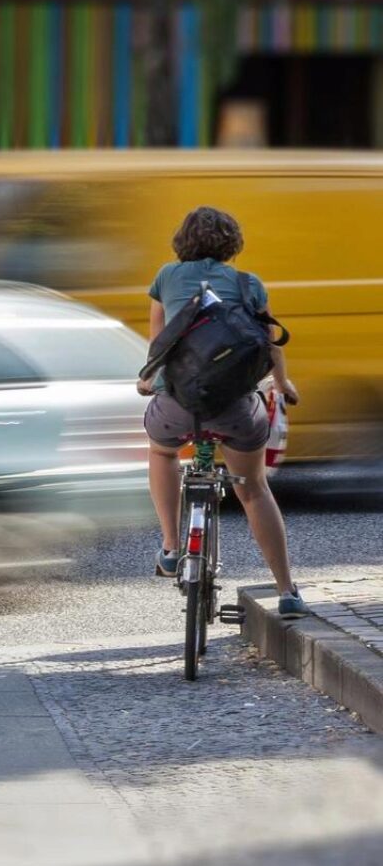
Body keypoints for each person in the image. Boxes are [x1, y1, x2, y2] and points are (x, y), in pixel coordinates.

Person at [137, 206, 306, 617]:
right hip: (236, 410)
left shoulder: (167, 277)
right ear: (232, 244)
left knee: (161, 451)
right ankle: (287, 592)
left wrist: (147, 381)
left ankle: (172, 548)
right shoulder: (250, 285)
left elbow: (160, 342)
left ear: (182, 241)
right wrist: (282, 385)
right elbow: (269, 345)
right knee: (253, 489)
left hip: (178, 406)